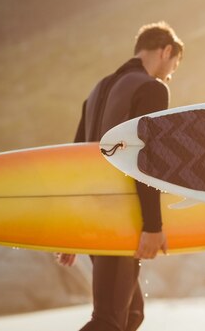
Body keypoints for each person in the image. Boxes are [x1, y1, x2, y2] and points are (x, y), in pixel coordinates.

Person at [56, 21, 184, 331]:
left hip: (92, 219)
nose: (170, 74)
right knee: (108, 321)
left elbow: (77, 160)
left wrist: (71, 230)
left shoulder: (97, 90)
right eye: (174, 66)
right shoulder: (152, 88)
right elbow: (147, 158)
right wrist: (153, 226)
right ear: (166, 51)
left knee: (131, 316)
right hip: (119, 217)